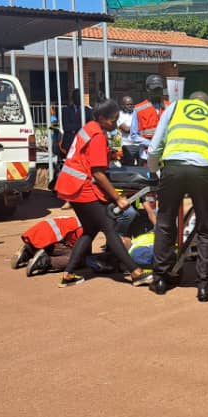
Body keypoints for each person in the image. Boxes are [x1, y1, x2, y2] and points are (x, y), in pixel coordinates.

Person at [53, 99, 153, 288]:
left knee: (90, 230)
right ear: (101, 118)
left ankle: (68, 274)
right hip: (81, 187)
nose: (115, 124)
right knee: (108, 227)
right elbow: (98, 173)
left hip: (70, 185)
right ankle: (136, 272)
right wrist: (117, 198)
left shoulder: (89, 128)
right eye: (113, 121)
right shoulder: (97, 135)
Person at [148, 91, 208, 302]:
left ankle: (160, 279)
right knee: (205, 228)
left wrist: (155, 171)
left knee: (165, 222)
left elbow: (155, 145)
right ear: (206, 104)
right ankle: (203, 286)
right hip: (204, 172)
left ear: (190, 101)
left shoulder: (174, 108)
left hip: (173, 168)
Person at [127, 75, 170, 164]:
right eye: (154, 89)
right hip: (147, 155)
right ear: (148, 89)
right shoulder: (139, 109)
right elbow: (134, 135)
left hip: (167, 154)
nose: (157, 92)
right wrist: (151, 144)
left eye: (159, 89)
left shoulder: (170, 107)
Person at [117, 96, 139, 166]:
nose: (130, 106)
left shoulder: (137, 113)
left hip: (140, 145)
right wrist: (140, 126)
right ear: (122, 105)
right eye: (128, 104)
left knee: (142, 169)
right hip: (127, 146)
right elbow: (126, 129)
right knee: (129, 167)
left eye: (131, 104)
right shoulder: (119, 115)